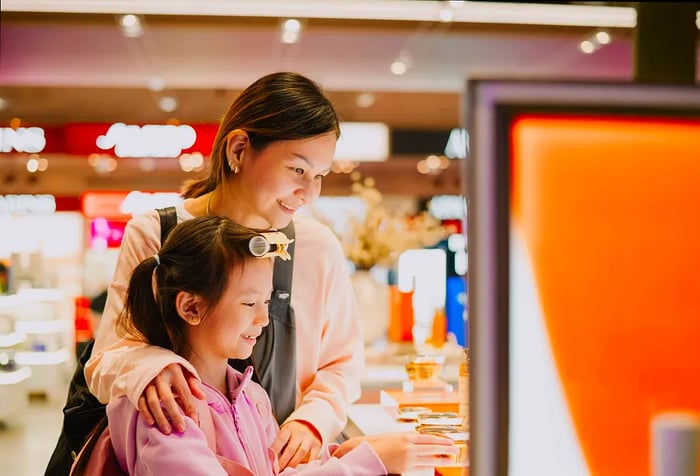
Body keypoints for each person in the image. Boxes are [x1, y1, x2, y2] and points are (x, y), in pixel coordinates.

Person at [85, 71, 363, 469]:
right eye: (297, 170)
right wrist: (149, 366)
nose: (310, 193)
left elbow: (342, 363)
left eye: (319, 176)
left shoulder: (317, 246)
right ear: (238, 150)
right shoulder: (157, 232)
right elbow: (109, 356)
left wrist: (313, 423)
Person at [77, 216, 456, 475]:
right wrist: (367, 462)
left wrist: (346, 452)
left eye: (266, 303)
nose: (262, 319)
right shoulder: (167, 409)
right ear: (191, 306)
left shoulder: (250, 394)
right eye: (248, 304)